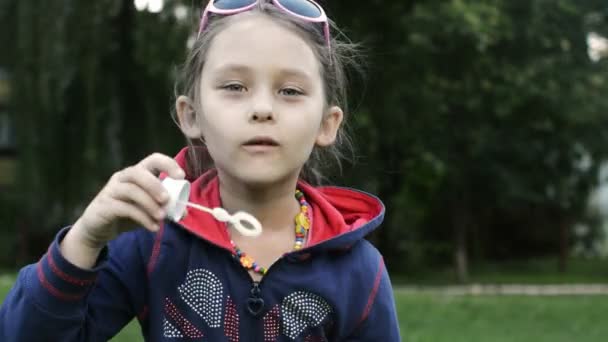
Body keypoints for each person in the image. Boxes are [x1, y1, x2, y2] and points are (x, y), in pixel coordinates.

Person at [0, 0, 401, 340]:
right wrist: (85, 240)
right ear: (191, 116)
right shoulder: (154, 240)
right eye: (234, 87)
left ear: (327, 124)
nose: (262, 108)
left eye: (290, 91)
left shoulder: (359, 272)